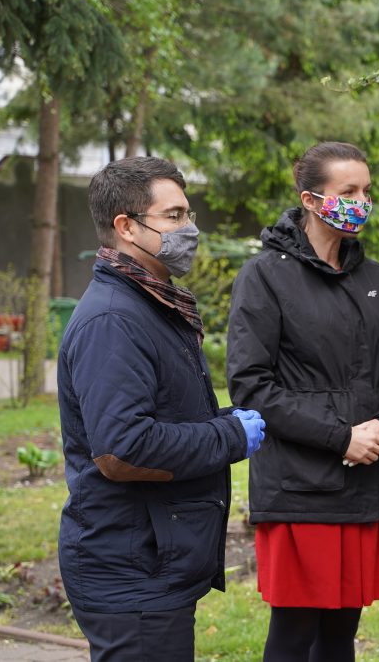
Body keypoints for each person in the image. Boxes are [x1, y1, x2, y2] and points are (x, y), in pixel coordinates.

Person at [58, 156, 266, 661]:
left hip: (153, 559)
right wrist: (230, 437)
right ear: (127, 227)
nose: (189, 229)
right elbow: (122, 450)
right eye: (173, 216)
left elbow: (163, 415)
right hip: (130, 569)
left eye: (188, 214)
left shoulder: (152, 303)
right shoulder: (114, 319)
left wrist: (218, 421)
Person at [227, 141, 379, 662]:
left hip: (364, 481)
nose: (361, 201)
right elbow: (252, 386)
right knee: (294, 638)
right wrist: (342, 437)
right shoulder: (263, 277)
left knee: (340, 636)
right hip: (301, 487)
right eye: (348, 191)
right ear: (311, 200)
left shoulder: (371, 276)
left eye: (366, 191)